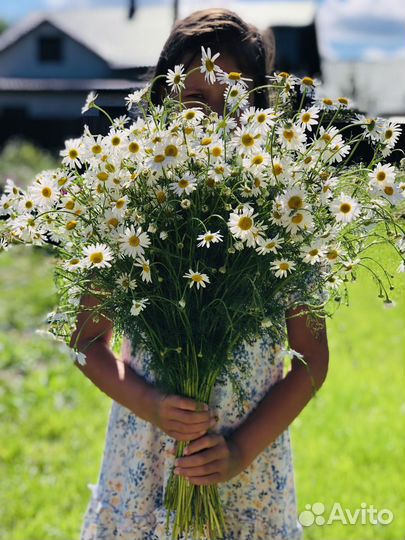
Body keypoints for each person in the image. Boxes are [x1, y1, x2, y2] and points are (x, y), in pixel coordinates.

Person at [72, 8, 329, 540]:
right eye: (194, 100)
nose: (212, 119)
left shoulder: (286, 215)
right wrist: (153, 405)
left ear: (256, 110)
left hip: (247, 463)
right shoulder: (128, 208)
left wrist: (238, 450)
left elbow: (311, 359)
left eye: (231, 102)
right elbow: (88, 343)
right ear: (163, 105)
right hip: (147, 457)